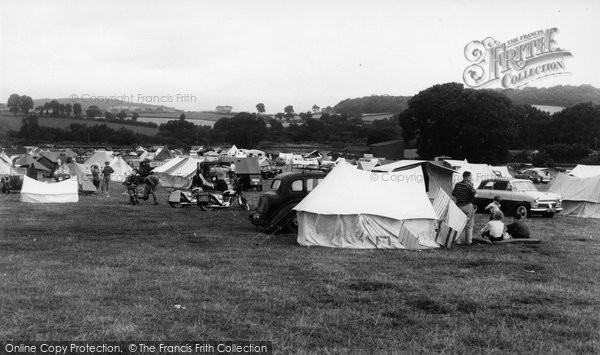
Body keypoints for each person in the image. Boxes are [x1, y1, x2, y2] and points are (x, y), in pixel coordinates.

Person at [452, 171, 477, 245]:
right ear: (467, 177)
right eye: (470, 177)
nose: (471, 178)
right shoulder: (469, 185)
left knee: (458, 224)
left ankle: (458, 241)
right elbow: (475, 194)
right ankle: (468, 241)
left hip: (458, 206)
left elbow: (453, 194)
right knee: (469, 224)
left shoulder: (457, 184)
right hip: (468, 205)